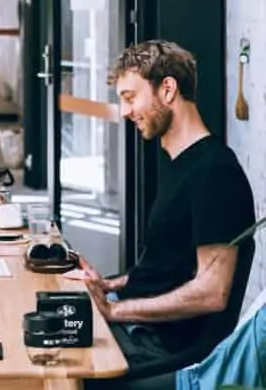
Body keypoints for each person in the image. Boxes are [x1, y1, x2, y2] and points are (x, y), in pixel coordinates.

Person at [82, 40, 255, 374]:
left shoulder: (215, 173)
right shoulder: (181, 164)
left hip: (160, 348)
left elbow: (212, 292)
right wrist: (109, 285)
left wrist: (116, 311)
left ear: (168, 89)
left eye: (130, 98)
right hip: (142, 332)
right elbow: (172, 265)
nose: (125, 111)